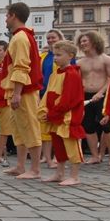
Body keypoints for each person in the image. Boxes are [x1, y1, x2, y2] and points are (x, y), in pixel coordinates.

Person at [1, 2, 43, 179]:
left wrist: (17, 92)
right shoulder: (23, 36)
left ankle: (34, 169)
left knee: (30, 126)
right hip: (20, 90)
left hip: (24, 90)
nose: (5, 19)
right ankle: (20, 166)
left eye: (6, 16)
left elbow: (21, 67)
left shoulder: (20, 38)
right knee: (19, 128)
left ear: (13, 16)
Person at [42, 40, 85, 186]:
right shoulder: (56, 74)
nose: (55, 58)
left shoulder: (72, 74)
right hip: (55, 115)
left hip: (67, 116)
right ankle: (59, 173)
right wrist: (47, 111)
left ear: (70, 56)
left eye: (59, 55)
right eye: (54, 54)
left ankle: (74, 175)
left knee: (71, 145)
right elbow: (49, 94)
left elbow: (68, 99)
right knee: (58, 145)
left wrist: (53, 113)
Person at [77, 32, 110, 165]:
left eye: (85, 41)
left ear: (94, 41)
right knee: (88, 126)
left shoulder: (106, 59)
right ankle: (95, 156)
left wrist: (100, 92)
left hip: (103, 95)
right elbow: (78, 79)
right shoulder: (80, 62)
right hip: (86, 96)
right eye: (81, 42)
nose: (83, 44)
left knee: (107, 126)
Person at [39, 29, 64, 167]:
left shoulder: (67, 56)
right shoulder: (44, 56)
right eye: (48, 38)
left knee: (59, 126)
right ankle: (47, 157)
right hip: (45, 93)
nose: (50, 40)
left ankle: (57, 156)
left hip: (60, 93)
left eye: (53, 38)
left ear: (60, 38)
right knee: (45, 126)